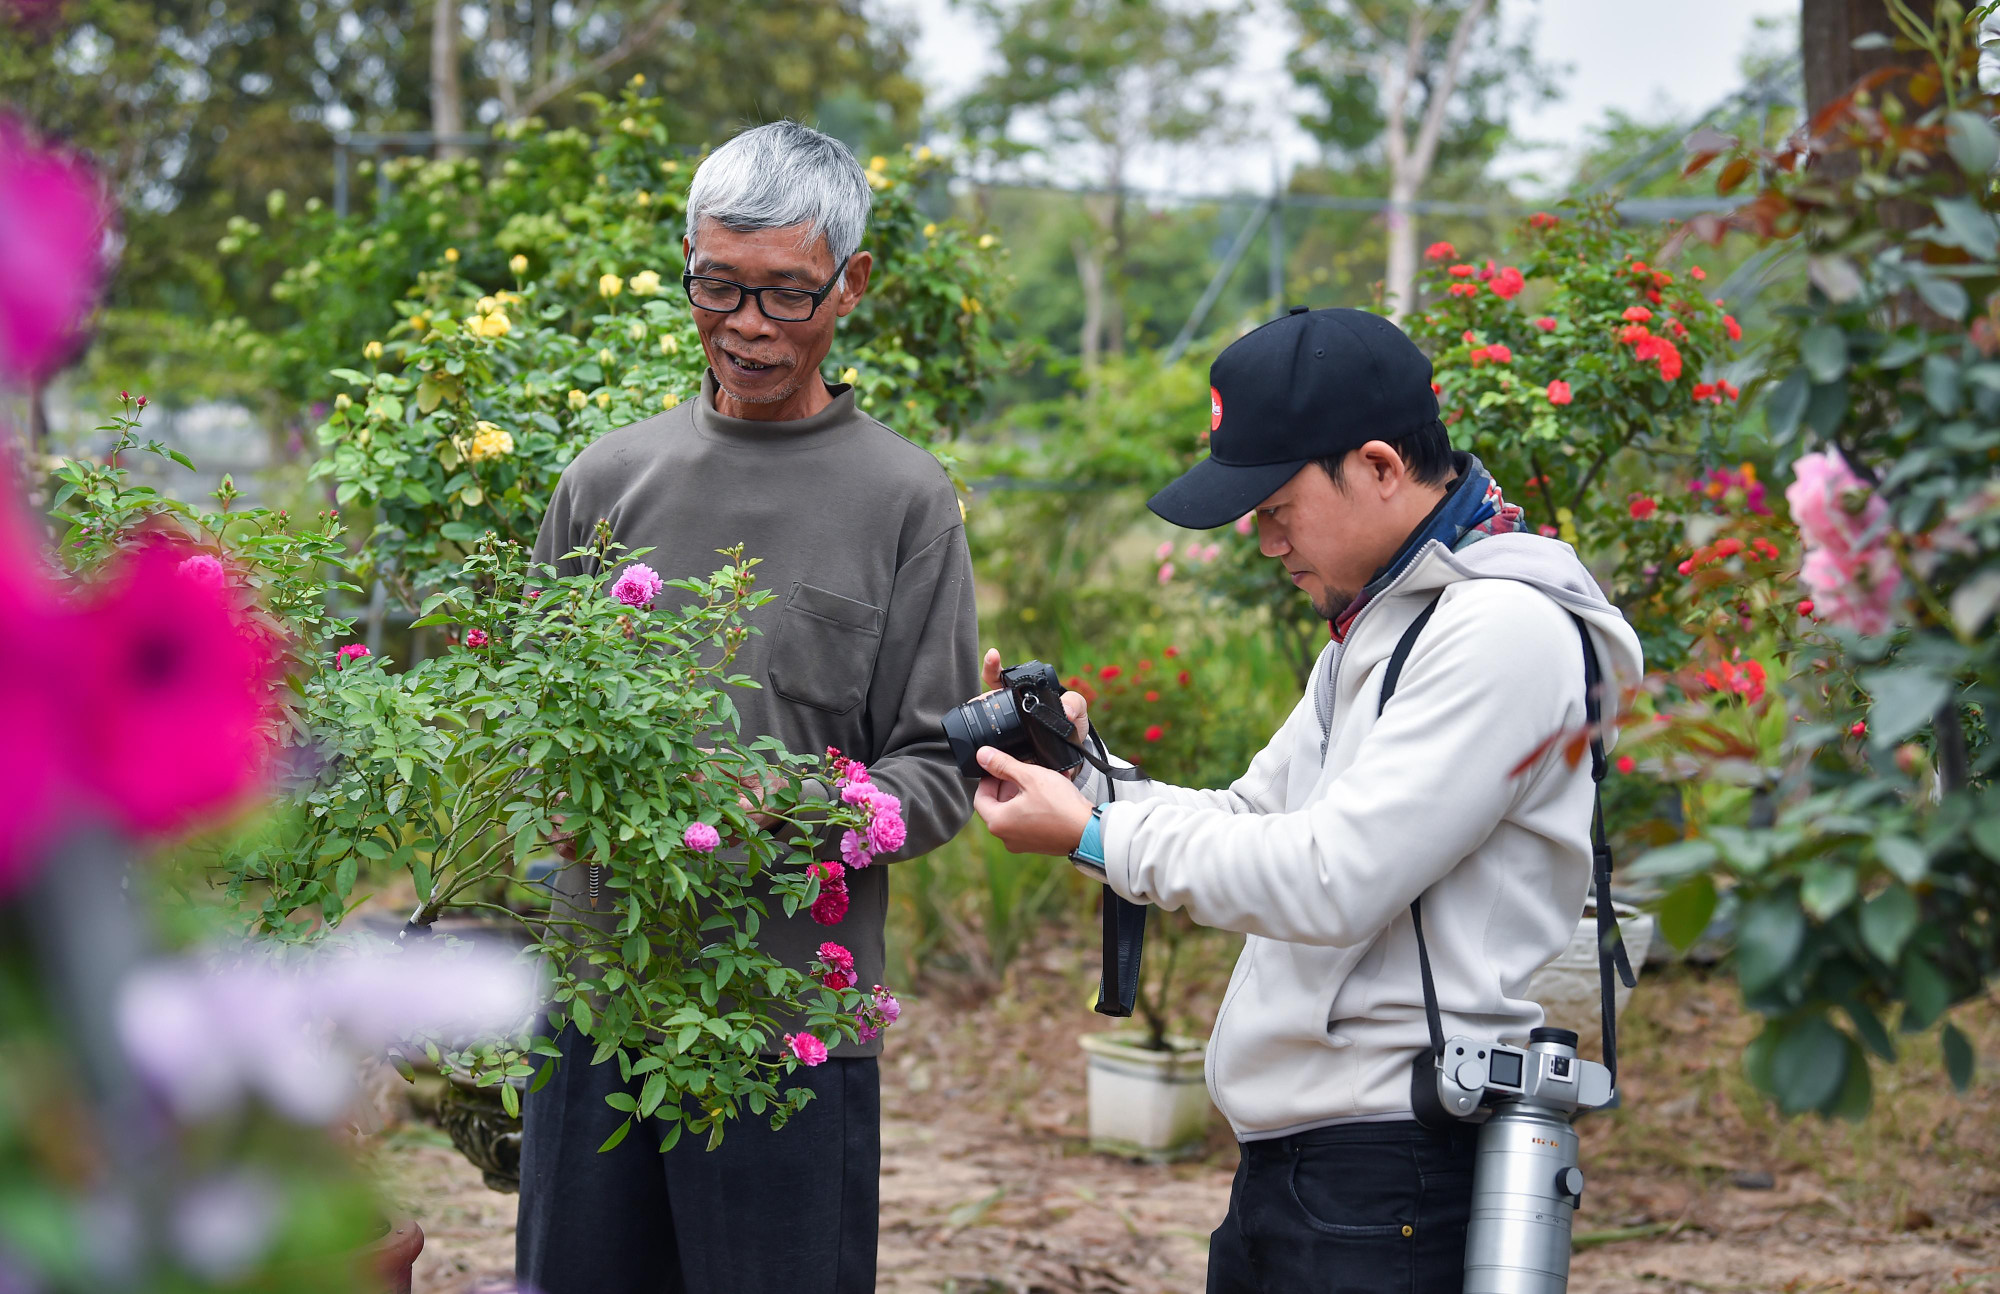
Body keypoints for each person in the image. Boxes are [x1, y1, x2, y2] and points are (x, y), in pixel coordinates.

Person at [969, 307, 1645, 1294]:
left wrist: (1098, 834)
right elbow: (1249, 816)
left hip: (1390, 1172)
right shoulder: (1381, 624)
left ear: (1377, 466)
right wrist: (1073, 775)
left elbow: (1333, 878)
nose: (1259, 538)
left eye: (1274, 505)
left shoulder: (1501, 629)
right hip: (1306, 1169)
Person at [516, 120, 978, 1294]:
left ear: (851, 285)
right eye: (716, 287)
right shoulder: (605, 481)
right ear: (687, 262)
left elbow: (934, 766)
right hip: (600, 1013)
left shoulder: (903, 501)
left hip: (790, 1027)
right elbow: (522, 732)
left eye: (784, 295)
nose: (747, 328)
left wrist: (803, 804)